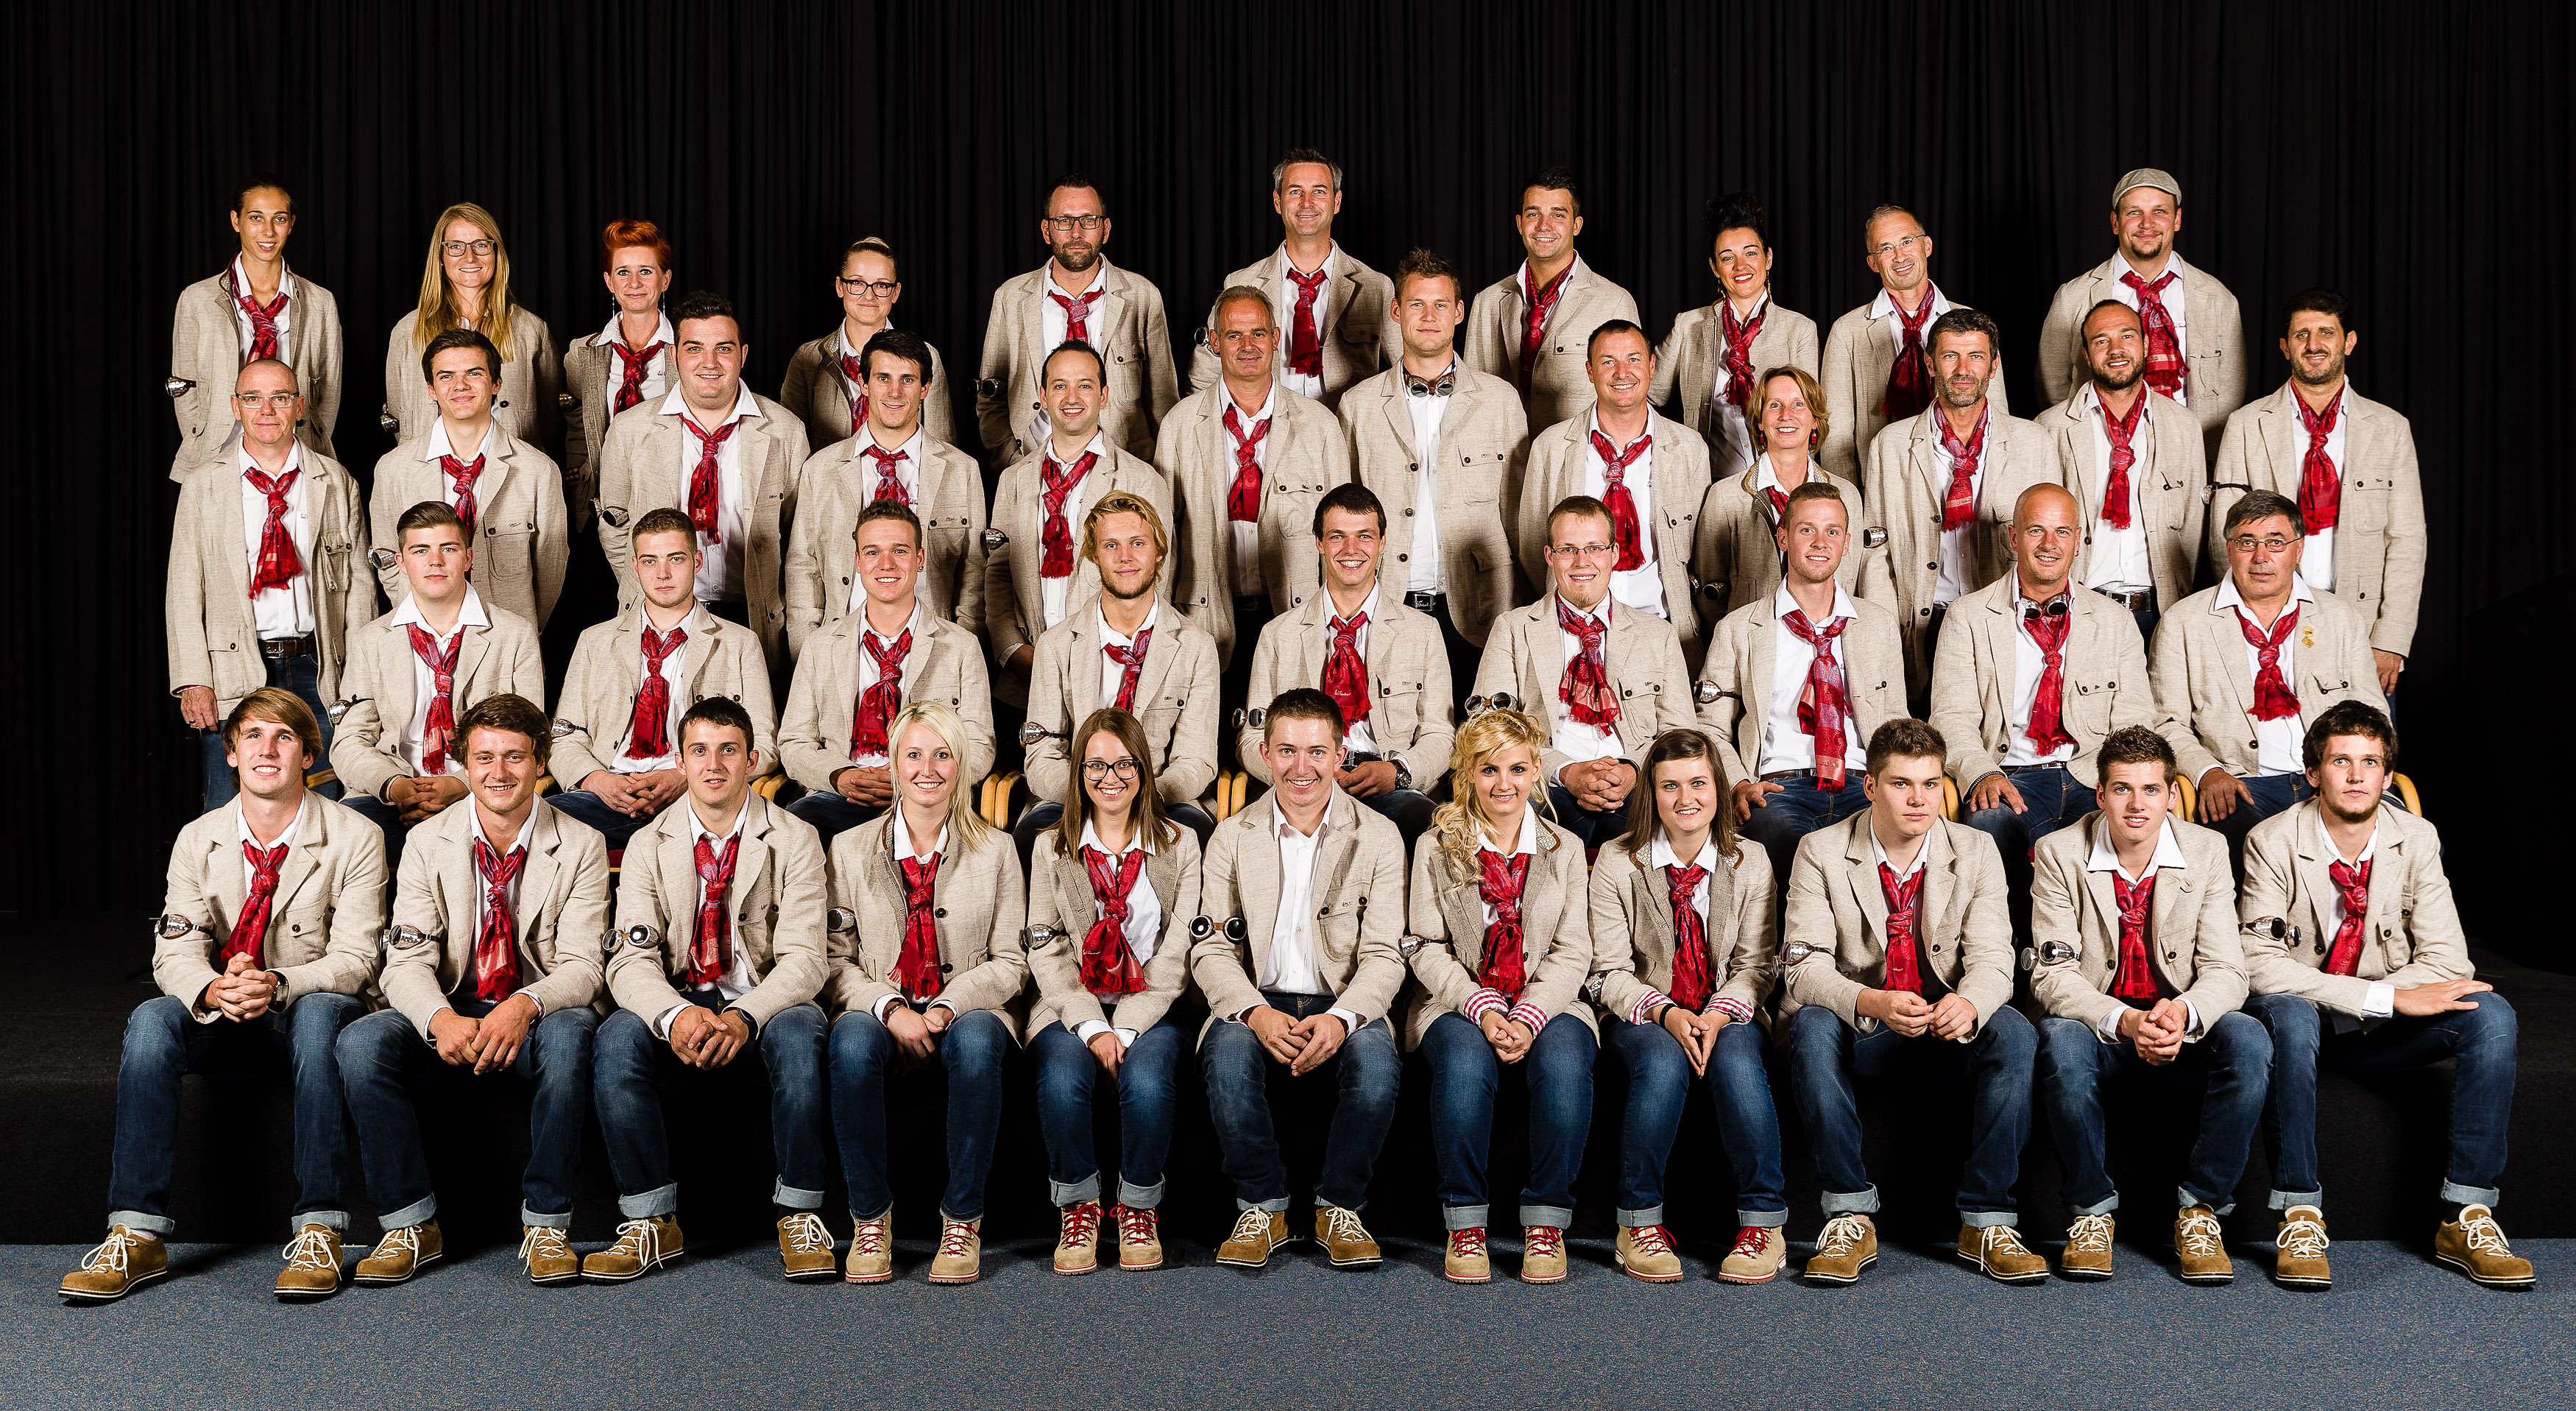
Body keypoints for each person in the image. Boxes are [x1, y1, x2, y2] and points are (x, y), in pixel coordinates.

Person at [60, 690, 382, 1304]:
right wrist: (213, 986)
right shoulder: (197, 838)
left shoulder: (355, 835)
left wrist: (278, 983)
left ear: (309, 754)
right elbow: (173, 950)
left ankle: (320, 1227)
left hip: (303, 1007)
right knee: (152, 1020)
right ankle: (137, 1231)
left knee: (317, 1018)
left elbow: (359, 958)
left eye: (284, 736)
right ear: (231, 754)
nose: (267, 749)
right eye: (253, 736)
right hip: (226, 1007)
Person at [2239, 703, 2533, 1290]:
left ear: (2387, 774)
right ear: (2313, 773)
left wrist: (2382, 1004)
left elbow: (2450, 959)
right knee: (2290, 1015)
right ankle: (2299, 1214)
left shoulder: (2416, 837)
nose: (2355, 775)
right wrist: (2387, 997)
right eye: (2340, 760)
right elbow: (2257, 966)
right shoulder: (2270, 840)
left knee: (2492, 1015)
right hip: (2307, 1027)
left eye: (2369, 762)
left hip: (2375, 1031)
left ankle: (2468, 1214)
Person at [335, 694, 611, 1287]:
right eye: (484, 757)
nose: (499, 772)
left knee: (571, 1035)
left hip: (538, 1010)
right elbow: (404, 960)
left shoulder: (582, 843)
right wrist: (438, 1017)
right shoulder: (426, 842)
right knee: (361, 1043)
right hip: (454, 1006)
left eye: (515, 756)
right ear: (462, 762)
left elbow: (586, 965)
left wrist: (522, 1004)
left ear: (541, 763)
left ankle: (547, 1224)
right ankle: (409, 1223)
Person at [1776, 718, 2044, 1286]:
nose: (1919, 799)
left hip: (1945, 1026)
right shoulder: (1820, 850)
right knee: (1810, 1024)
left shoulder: (1975, 848)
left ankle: (1987, 1219)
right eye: (1901, 784)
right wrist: (1870, 997)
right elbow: (1802, 968)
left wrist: (1969, 1003)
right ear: (1869, 786)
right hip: (1867, 1023)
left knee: (2016, 1031)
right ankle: (1848, 1213)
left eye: (1930, 784)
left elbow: (1996, 959)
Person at [590, 698, 835, 1283]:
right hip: (684, 998)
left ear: (753, 759)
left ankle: (800, 1213)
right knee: (616, 1039)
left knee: (803, 1034)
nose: (714, 764)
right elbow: (629, 958)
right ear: (681, 759)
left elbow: (806, 960)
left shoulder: (796, 837)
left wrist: (745, 1017)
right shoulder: (650, 843)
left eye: (729, 749)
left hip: (764, 1002)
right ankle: (651, 1219)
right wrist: (674, 1016)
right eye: (699, 750)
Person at [2028, 726, 2269, 1284]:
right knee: (2059, 1039)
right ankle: (2089, 1212)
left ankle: (2201, 1209)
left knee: (2251, 1039)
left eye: (2151, 789)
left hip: (2178, 1020)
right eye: (2122, 789)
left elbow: (2228, 969)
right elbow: (2052, 971)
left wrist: (2181, 1013)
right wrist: (2127, 1019)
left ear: (2171, 793)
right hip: (2104, 1024)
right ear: (2100, 794)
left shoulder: (2206, 850)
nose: (2138, 804)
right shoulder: (2060, 852)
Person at [1193, 689, 1407, 1271]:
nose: (1301, 767)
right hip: (1254, 997)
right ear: (1264, 753)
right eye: (1286, 750)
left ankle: (1341, 1205)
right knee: (1229, 1061)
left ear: (1342, 755)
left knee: (1378, 1071)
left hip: (1343, 999)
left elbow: (1387, 955)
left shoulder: (1380, 837)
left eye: (1317, 751)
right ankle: (1263, 1206)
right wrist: (1253, 1011)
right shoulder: (1232, 836)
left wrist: (1342, 1018)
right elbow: (1209, 947)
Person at [823, 702, 1028, 1286]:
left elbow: (1012, 964)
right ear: (893, 763)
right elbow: (836, 963)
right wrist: (890, 1008)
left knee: (981, 1037)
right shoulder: (849, 849)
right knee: (852, 1042)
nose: (927, 769)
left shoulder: (998, 849)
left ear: (961, 765)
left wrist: (945, 1006)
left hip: (964, 1006)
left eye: (942, 754)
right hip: (879, 1002)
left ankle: (962, 1218)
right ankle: (870, 1218)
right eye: (913, 754)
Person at [1402, 708, 1596, 1286]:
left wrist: (1531, 1015)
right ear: (1466, 773)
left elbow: (1574, 950)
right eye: (1488, 770)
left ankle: (1545, 1221)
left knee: (1564, 1064)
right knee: (1464, 1065)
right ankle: (1465, 1221)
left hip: (1548, 998)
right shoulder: (1435, 846)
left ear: (1537, 770)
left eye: (1517, 768)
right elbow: (1423, 945)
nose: (1503, 783)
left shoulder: (1563, 848)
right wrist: (1483, 1008)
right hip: (1456, 998)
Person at [1589, 728, 1788, 1284]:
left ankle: (1762, 1223)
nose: (1687, 799)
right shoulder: (1616, 861)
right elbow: (1606, 969)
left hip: (1725, 1007)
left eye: (1699, 783)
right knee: (1662, 1062)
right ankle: (1639, 1223)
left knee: (1740, 1064)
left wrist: (1718, 1013)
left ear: (1719, 789)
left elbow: (1758, 964)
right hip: (1648, 1010)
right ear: (1651, 794)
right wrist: (1667, 1013)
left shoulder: (1751, 860)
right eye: (1670, 786)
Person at [1930, 484, 2159, 940]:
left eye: (2061, 532)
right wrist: (1980, 774)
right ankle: (2004, 966)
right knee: (1987, 824)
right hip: (2008, 774)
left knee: (2134, 826)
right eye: (2036, 530)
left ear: (2079, 539)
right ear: (2013, 538)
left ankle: (2101, 964)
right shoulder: (1967, 617)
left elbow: (2135, 720)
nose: (2049, 544)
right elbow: (1950, 719)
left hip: (2089, 775)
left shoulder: (2113, 621)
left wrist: (2110, 782)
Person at [1025, 708, 1203, 1274]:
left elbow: (1176, 956)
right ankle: (1077, 1205)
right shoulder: (1051, 847)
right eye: (1096, 764)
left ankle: (1137, 1206)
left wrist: (1123, 1026)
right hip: (1070, 1004)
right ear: (1078, 772)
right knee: (1060, 1076)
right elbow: (1046, 952)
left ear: (1144, 770)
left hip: (1152, 1006)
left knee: (1147, 1080)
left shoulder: (1182, 844)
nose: (1111, 777)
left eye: (1124, 763)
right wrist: (1092, 1026)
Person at [168, 358, 371, 810]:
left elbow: (358, 589)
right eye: (253, 398)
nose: (267, 409)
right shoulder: (204, 486)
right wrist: (193, 680)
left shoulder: (335, 482)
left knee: (327, 805)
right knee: (229, 810)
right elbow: (183, 589)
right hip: (235, 669)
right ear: (235, 407)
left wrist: (360, 677)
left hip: (318, 669)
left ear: (299, 407)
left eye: (280, 397)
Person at [2149, 491, 2386, 866]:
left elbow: (2373, 714)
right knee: (2252, 855)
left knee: (2407, 844)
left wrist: (2351, 772)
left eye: (2276, 542)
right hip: (2240, 784)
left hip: (2331, 780)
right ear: (2229, 549)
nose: (2261, 557)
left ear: (2298, 549)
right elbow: (2165, 722)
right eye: (2247, 542)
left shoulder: (2340, 618)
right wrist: (2207, 772)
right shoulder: (2184, 622)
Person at [2207, 289, 2424, 698]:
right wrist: (2248, 618)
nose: (2314, 344)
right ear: (2285, 347)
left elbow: (2408, 540)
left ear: (2349, 341)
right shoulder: (2247, 425)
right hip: (2267, 621)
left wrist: (2391, 640)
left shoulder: (2389, 429)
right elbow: (2226, 533)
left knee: (2359, 756)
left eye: (2326, 332)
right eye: (2301, 334)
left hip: (2361, 629)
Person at [1696, 481, 1907, 899]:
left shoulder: (1878, 624)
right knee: (1783, 841)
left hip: (1863, 784)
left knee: (1881, 853)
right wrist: (1738, 784)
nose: (1819, 542)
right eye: (1806, 530)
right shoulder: (1739, 629)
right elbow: (1711, 730)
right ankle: (1785, 960)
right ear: (1782, 537)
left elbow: (1895, 723)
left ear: (1848, 544)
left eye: (1832, 532)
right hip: (1778, 788)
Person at [1341, 248, 1532, 703]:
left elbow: (1522, 519)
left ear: (1460, 312)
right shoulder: (1358, 406)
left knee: (1482, 752)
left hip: (1481, 606)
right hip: (1387, 602)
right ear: (1394, 311)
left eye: (1440, 304)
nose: (1429, 317)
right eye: (1416, 304)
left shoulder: (1500, 401)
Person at [595, 290, 811, 672]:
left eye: (723, 349)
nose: (709, 362)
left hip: (753, 618)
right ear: (675, 355)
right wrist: (651, 587)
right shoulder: (630, 430)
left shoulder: (785, 431)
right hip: (658, 616)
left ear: (743, 355)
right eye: (694, 348)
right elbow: (614, 527)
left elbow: (800, 536)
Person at [1856, 308, 2062, 705]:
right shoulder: (1891, 444)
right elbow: (1875, 550)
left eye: (1976, 356)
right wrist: (1885, 631)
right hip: (1922, 619)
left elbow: (2054, 541)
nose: (1963, 369)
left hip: (2006, 619)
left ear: (1995, 364)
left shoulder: (2033, 442)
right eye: (1950, 356)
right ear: (1930, 363)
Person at [330, 502, 545, 871]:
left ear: (469, 557)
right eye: (420, 550)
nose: (435, 561)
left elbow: (528, 737)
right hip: (391, 793)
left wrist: (461, 784)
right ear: (400, 561)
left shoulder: (514, 634)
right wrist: (395, 786)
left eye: (449, 548)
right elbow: (349, 741)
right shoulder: (371, 640)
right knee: (339, 842)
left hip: (484, 790)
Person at [1472, 495, 1696, 846]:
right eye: (1568, 550)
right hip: (1544, 784)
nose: (1582, 562)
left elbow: (1681, 734)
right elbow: (1489, 731)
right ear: (1549, 556)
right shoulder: (1513, 629)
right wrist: (1565, 771)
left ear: (1615, 554)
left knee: (1650, 831)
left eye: (1594, 548)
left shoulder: (1658, 634)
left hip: (1635, 784)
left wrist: (1632, 769)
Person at [549, 509, 777, 851]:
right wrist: (599, 781)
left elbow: (764, 744)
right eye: (650, 561)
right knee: (534, 825)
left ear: (697, 561)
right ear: (635, 566)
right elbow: (564, 737)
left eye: (676, 559)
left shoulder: (739, 643)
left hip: (698, 796)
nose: (664, 574)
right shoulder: (595, 641)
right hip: (606, 794)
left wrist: (684, 777)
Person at [1240, 484, 1451, 846]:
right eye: (1337, 536)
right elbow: (1251, 738)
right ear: (1320, 543)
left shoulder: (1423, 632)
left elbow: (1441, 735)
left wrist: (1398, 773)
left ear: (1383, 542)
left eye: (1364, 537)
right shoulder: (1278, 635)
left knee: (1423, 825)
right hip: (1299, 785)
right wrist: (1302, 773)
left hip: (1389, 785)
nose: (1351, 550)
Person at [1162, 285, 1353, 678]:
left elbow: (1341, 535)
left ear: (1276, 337)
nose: (1248, 345)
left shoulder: (1320, 426)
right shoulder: (1179, 427)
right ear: (1215, 341)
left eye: (1259, 333)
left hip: (1295, 616)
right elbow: (1164, 538)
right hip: (1204, 617)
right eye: (1234, 335)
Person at [779, 501, 994, 845]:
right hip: (841, 797)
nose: (886, 564)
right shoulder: (820, 646)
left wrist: (914, 775)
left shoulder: (961, 646)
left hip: (928, 796)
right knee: (795, 829)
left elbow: (980, 746)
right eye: (872, 552)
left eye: (900, 551)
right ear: (858, 562)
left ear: (920, 559)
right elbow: (794, 742)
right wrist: (840, 776)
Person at [1020, 495, 1218, 852]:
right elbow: (1042, 754)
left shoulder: (1196, 647)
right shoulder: (1056, 645)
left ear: (1159, 551)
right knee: (1032, 834)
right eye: (1111, 545)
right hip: (1075, 797)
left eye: (1138, 543)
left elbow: (1196, 759)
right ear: (1094, 555)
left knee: (1196, 832)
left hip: (1161, 798)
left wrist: (1138, 798)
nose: (1125, 557)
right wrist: (1096, 794)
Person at [985, 342, 1175, 704]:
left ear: (1104, 395)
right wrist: (1013, 651)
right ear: (1042, 395)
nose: (1072, 397)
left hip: (1113, 676)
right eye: (1060, 385)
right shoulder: (1013, 480)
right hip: (1027, 677)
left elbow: (1157, 580)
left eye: (1085, 385)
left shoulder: (1142, 480)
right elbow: (998, 573)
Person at [1518, 319, 1713, 668]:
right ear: (1590, 371)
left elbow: (1703, 549)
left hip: (1662, 626)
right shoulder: (1550, 447)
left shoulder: (1688, 448)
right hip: (1572, 627)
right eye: (1608, 362)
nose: (1622, 372)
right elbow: (1534, 547)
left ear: (1652, 366)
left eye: (1634, 359)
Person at [783, 328, 986, 658]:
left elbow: (975, 569)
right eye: (883, 378)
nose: (895, 392)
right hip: (842, 647)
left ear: (925, 389)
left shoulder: (961, 471)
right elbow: (802, 566)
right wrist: (807, 652)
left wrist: (960, 647)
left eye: (908, 379)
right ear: (864, 384)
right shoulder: (820, 470)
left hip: (933, 648)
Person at [2036, 169, 2245, 459]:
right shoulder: (2073, 297)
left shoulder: (2217, 299)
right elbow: (2052, 383)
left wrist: (2203, 448)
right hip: (2098, 453)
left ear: (2177, 219)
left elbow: (2231, 388)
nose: (2147, 224)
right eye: (2134, 212)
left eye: (2159, 211)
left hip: (2192, 452)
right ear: (2115, 222)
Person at [369, 328, 568, 628]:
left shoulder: (538, 470)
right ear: (431, 390)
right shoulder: (393, 469)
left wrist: (517, 632)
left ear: (497, 383)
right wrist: (426, 620)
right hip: (422, 635)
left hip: (507, 641)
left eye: (474, 373)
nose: (460, 386)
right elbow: (388, 559)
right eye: (446, 376)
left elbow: (551, 569)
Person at [975, 173, 1180, 462]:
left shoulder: (1142, 296)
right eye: (1064, 221)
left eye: (1089, 220)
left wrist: (1149, 476)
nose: (1076, 233)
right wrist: (1012, 461)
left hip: (1123, 470)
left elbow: (1163, 401)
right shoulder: (1011, 297)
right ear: (1046, 230)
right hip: (1034, 464)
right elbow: (991, 398)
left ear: (1105, 229)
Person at [2034, 301, 2205, 643]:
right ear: (2086, 354)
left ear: (2145, 343)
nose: (2116, 350)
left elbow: (2193, 523)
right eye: (2101, 340)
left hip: (2162, 612)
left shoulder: (2183, 426)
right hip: (2078, 608)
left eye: (2127, 336)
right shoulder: (2050, 428)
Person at [1188, 147, 1398, 408]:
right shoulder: (1242, 283)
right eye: (1295, 191)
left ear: (1337, 201)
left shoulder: (1375, 287)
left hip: (1345, 438)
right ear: (1277, 201)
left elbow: (1410, 369)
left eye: (1319, 191)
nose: (1306, 202)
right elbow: (1202, 380)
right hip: (1267, 438)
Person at [166, 174, 342, 479]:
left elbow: (329, 388)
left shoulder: (320, 302)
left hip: (296, 448)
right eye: (256, 217)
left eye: (279, 219)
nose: (268, 231)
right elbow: (184, 385)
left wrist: (311, 435)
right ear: (236, 221)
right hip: (219, 449)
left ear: (291, 224)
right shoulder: (198, 300)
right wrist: (203, 434)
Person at [1816, 204, 2006, 483]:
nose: (1899, 256)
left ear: (1927, 245)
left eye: (1907, 241)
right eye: (1886, 248)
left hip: (1967, 477)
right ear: (1873, 262)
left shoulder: (1974, 324)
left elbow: (1998, 414)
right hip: (1886, 482)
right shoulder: (1848, 331)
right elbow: (1837, 438)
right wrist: (1850, 503)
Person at [1652, 192, 1822, 482]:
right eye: (1727, 258)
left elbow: (1807, 417)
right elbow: (1649, 392)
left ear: (1768, 258)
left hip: (1781, 482)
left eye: (1751, 253)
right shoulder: (1689, 325)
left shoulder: (1800, 329)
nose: (1740, 266)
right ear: (1715, 268)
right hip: (1707, 482)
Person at [1462, 169, 1641, 429]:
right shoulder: (1487, 302)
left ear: (1576, 225)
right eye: (1533, 214)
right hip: (1502, 460)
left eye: (1558, 215)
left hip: (1575, 459)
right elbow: (1472, 396)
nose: (1544, 225)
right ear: (1519, 223)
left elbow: (1630, 399)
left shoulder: (1614, 303)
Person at [382, 202, 562, 455]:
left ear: (496, 253)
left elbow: (550, 420)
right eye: (455, 247)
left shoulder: (532, 331)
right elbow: (400, 414)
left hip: (515, 474)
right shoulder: (407, 332)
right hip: (429, 474)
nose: (470, 257)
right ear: (441, 258)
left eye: (481, 245)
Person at [1692, 367, 1864, 624]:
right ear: (1760, 421)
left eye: (1798, 404)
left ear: (1815, 419)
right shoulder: (1725, 497)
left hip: (1830, 642)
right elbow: (1711, 594)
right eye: (1775, 405)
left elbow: (1852, 582)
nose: (1786, 415)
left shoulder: (1847, 496)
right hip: (1757, 647)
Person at [779, 236, 958, 450]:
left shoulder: (926, 355)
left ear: (895, 292)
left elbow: (943, 450)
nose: (869, 295)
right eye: (857, 283)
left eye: (881, 285)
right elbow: (790, 448)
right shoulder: (807, 358)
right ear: (840, 286)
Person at [564, 219, 675, 523]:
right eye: (623, 272)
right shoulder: (582, 353)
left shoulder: (687, 351)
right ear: (609, 282)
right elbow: (577, 424)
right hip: (602, 499)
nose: (634, 283)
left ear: (665, 280)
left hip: (670, 496)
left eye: (646, 271)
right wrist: (580, 469)